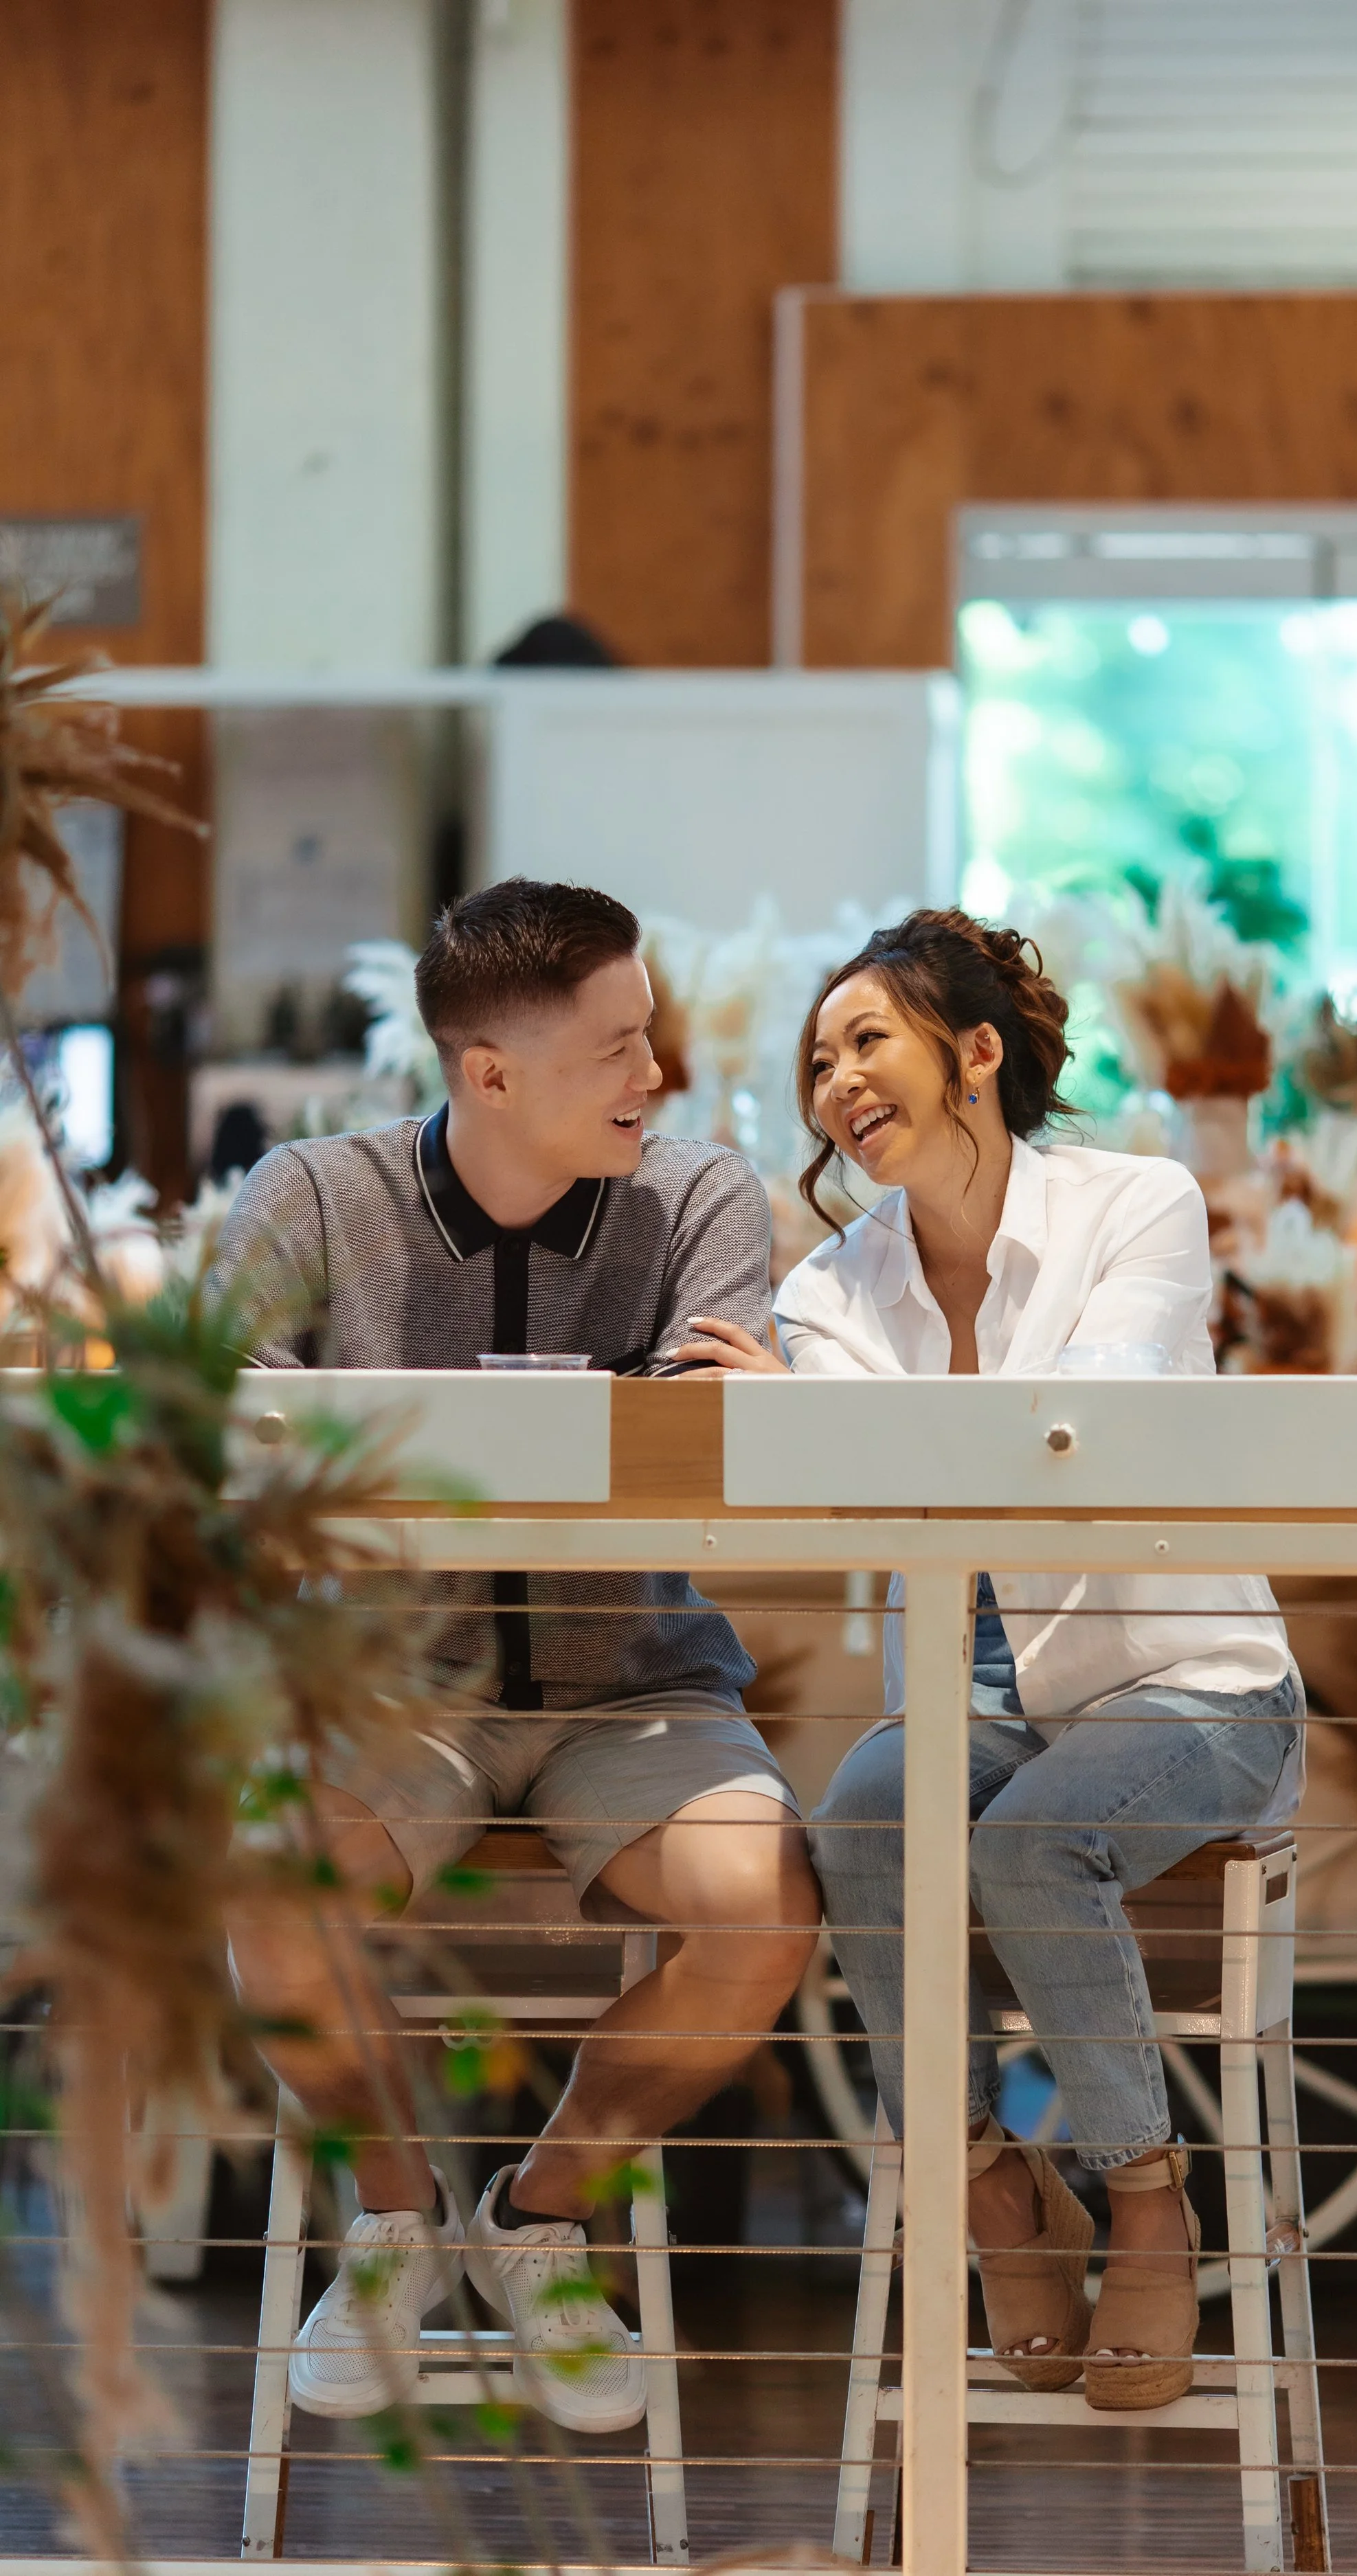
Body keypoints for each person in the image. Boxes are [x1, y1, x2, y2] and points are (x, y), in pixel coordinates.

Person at [669, 909, 1304, 2415]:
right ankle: (992, 2188)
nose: (835, 1082)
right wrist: (852, 1432)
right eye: (818, 1062)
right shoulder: (827, 1291)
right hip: (984, 1696)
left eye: (866, 1042)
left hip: (1196, 1684)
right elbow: (870, 1489)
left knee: (1027, 1844)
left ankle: (1144, 2197)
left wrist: (848, 1425)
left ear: (974, 1053)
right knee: (859, 1820)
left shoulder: (1137, 1204)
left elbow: (1079, 1426)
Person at [212, 878, 820, 2434]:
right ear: (489, 1072)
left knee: (762, 1916)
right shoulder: (312, 1200)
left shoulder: (698, 1195)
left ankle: (540, 2217)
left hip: (641, 1691)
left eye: (649, 1033)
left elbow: (711, 1442)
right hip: (385, 1693)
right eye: (616, 1047)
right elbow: (222, 1446)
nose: (655, 1074)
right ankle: (396, 2217)